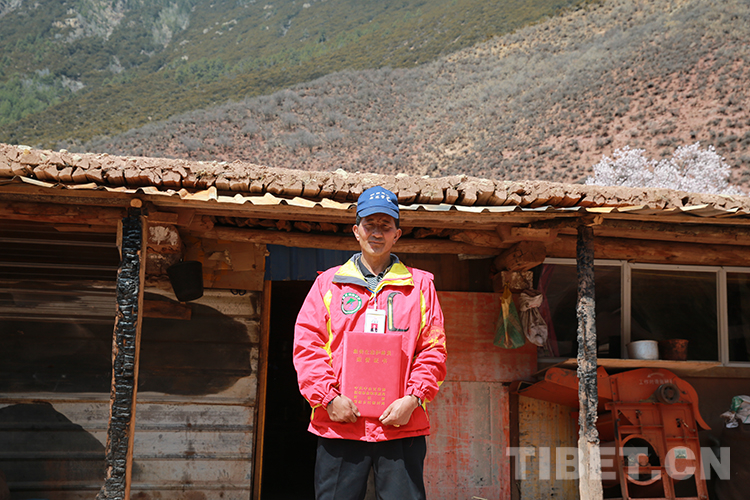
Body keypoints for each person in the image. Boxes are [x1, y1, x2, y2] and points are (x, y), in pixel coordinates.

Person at [293, 185, 448, 500]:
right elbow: (308, 347)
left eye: (385, 226)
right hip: (340, 422)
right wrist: (329, 399)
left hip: (400, 423)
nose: (377, 232)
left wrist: (413, 399)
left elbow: (433, 349)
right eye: (369, 224)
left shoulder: (420, 286)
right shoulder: (328, 284)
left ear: (397, 234)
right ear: (356, 231)